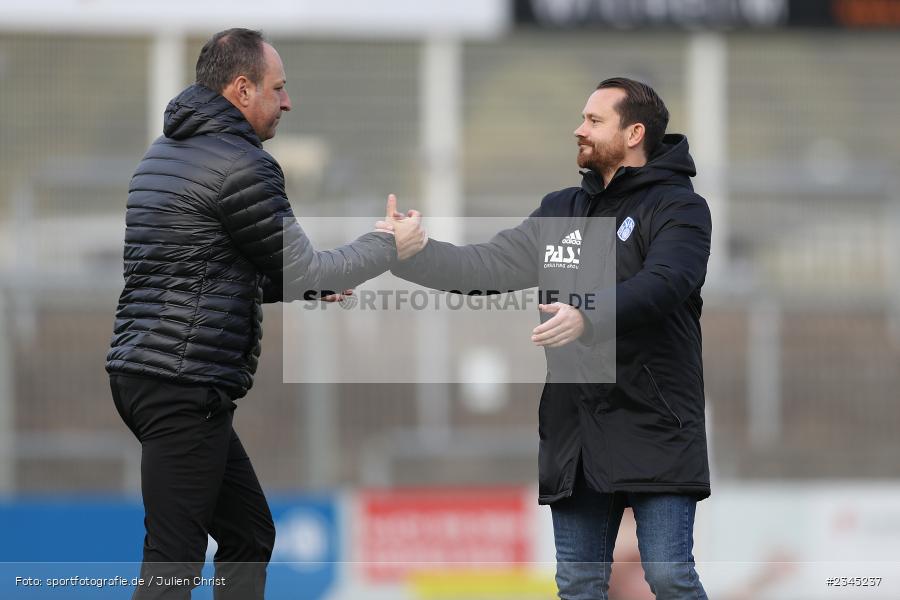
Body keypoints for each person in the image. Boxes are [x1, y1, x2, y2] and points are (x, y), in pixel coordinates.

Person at [106, 28, 425, 600]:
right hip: (183, 381)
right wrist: (386, 246)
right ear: (242, 88)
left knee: (249, 534)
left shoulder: (166, 153)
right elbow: (309, 269)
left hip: (149, 372)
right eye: (278, 89)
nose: (286, 102)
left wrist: (303, 289)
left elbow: (214, 268)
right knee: (173, 563)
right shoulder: (242, 164)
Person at [384, 77, 711, 599]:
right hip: (576, 429)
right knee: (579, 584)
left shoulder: (680, 208)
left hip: (657, 424)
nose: (577, 129)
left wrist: (586, 313)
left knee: (670, 576)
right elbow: (485, 266)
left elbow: (667, 284)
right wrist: (412, 253)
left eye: (593, 121)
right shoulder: (561, 210)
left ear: (634, 133)